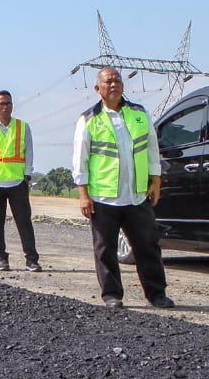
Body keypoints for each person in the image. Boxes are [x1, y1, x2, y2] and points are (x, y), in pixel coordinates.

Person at [72, 67, 174, 309]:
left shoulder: (139, 113)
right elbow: (80, 159)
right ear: (98, 89)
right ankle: (112, 295)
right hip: (104, 196)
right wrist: (84, 195)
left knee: (147, 246)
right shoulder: (88, 119)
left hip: (137, 194)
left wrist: (156, 179)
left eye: (117, 80)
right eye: (108, 81)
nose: (114, 84)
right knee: (105, 249)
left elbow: (151, 148)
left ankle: (157, 294)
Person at [0, 90, 41, 272]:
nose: (5, 107)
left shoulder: (23, 127)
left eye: (8, 103)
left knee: (24, 222)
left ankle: (31, 259)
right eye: (2, 104)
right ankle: (2, 258)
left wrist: (27, 175)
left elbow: (29, 151)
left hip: (17, 182)